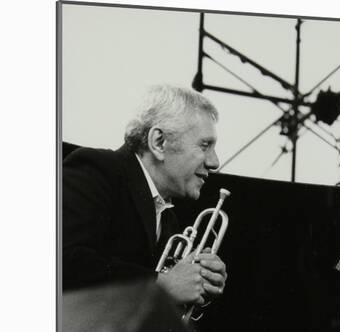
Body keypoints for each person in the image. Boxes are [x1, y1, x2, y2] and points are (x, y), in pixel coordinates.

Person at [63, 85, 227, 309]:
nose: (215, 162)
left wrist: (198, 282)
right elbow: (62, 261)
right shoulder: (97, 169)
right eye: (205, 145)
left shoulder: (168, 219)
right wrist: (161, 285)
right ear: (159, 142)